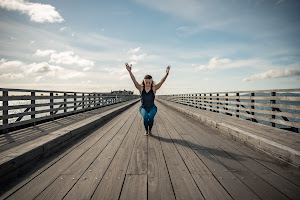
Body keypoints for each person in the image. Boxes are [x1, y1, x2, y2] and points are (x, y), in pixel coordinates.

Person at [125, 63, 170, 136]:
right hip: (143, 108)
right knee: (146, 117)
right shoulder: (141, 88)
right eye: (146, 82)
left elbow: (161, 82)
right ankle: (146, 130)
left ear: (151, 82)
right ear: (144, 82)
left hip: (152, 107)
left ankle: (150, 130)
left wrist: (167, 74)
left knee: (151, 117)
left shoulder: (154, 88)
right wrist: (130, 71)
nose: (148, 84)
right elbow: (134, 81)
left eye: (149, 82)